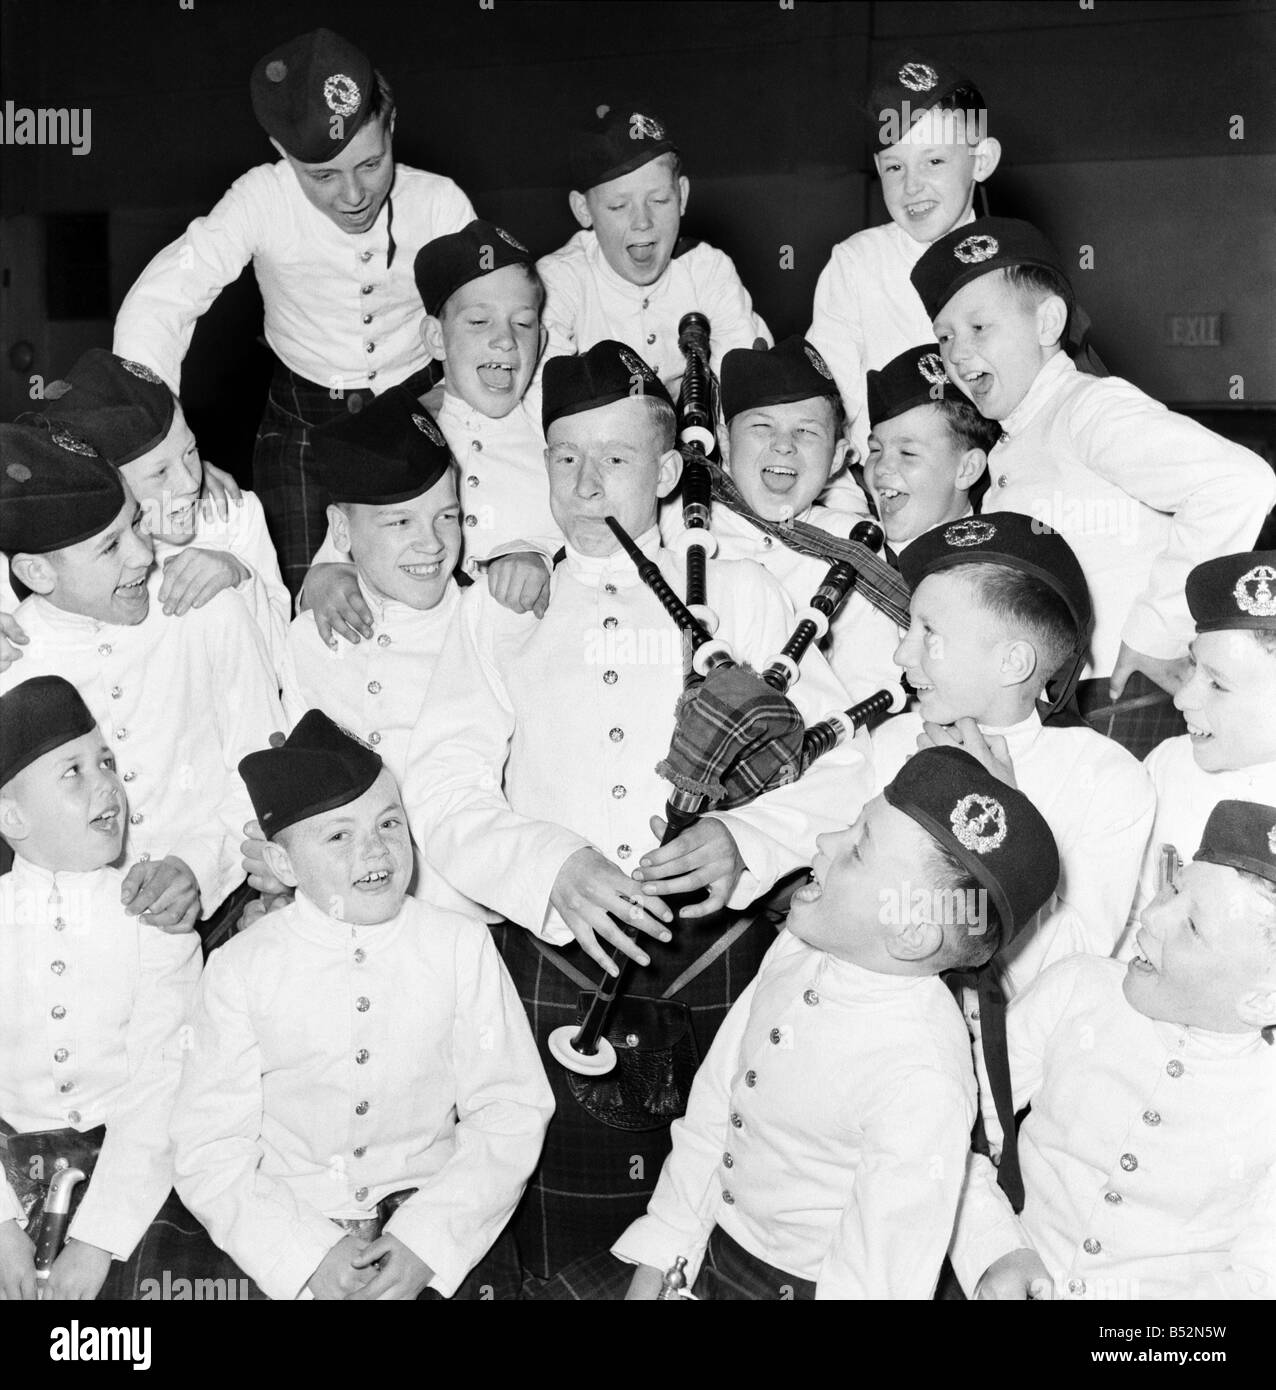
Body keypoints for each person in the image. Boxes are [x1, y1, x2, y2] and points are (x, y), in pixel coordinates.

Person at [403, 340, 871, 1286]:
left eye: (615, 459)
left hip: (716, 960)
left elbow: (842, 763)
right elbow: (444, 785)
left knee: (718, 1226)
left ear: (664, 471)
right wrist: (548, 866)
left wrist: (746, 839)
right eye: (565, 457)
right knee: (565, 1257)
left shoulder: (737, 591)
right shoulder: (499, 608)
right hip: (558, 965)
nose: (585, 483)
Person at [613, 746, 1058, 1299]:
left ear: (911, 932)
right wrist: (663, 1255)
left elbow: (880, 1275)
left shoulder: (921, 1073)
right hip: (708, 1256)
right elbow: (716, 1108)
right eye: (849, 825)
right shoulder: (798, 947)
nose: (824, 843)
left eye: (856, 850)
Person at [171, 711, 554, 1301]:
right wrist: (304, 1255)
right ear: (282, 865)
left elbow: (511, 1109)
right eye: (338, 836)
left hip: (435, 1228)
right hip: (290, 1233)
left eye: (389, 823)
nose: (375, 851)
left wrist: (428, 1240)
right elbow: (210, 1146)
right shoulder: (240, 969)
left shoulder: (458, 945)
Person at [112, 27, 476, 595]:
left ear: (392, 125)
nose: (353, 195)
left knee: (433, 596)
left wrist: (459, 398)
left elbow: (494, 317)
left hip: (423, 407)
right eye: (323, 176)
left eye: (371, 164)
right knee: (308, 609)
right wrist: (161, 455)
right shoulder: (261, 197)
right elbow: (160, 303)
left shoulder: (442, 203)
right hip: (304, 426)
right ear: (284, 154)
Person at [912, 216, 1276, 756]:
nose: (958, 353)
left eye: (979, 328)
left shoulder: (1087, 408)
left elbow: (1239, 481)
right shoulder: (1015, 440)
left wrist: (1155, 632)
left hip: (1120, 700)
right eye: (945, 336)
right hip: (1070, 710)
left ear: (1047, 323)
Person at [952, 798, 1276, 1301]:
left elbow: (1258, 1281)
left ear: (1263, 1001)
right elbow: (948, 1126)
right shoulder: (1078, 988)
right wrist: (993, 1248)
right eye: (1172, 887)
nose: (1151, 914)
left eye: (1192, 927)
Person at [0, 420, 283, 939]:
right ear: (37, 573)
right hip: (70, 938)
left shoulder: (205, 603)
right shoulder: (15, 661)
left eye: (136, 523)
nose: (143, 553)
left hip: (226, 908)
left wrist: (197, 868)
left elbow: (264, 767)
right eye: (110, 548)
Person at [873, 512, 1155, 998]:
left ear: (1013, 662)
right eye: (908, 628)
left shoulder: (1110, 780)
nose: (902, 655)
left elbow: (1069, 969)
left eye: (928, 632)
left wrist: (999, 818)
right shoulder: (892, 742)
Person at [0, 676, 201, 1301]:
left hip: (132, 1168)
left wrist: (97, 1240)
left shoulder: (154, 916)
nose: (107, 783)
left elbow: (166, 1079)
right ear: (12, 815)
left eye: (107, 761)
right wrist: (3, 1225)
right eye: (74, 771)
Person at [302, 218, 561, 646]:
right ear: (436, 339)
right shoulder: (395, 435)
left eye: (523, 323)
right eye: (479, 322)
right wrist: (325, 578)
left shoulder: (555, 432)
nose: (505, 341)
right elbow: (343, 546)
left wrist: (544, 558)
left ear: (543, 338)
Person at [1, 349, 289, 677]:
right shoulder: (43, 547)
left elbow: (281, 665)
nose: (190, 482)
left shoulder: (232, 516)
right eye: (160, 473)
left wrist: (240, 576)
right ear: (110, 482)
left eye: (191, 452)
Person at [670, 335, 902, 701]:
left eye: (807, 431)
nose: (784, 444)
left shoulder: (853, 543)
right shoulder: (680, 525)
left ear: (838, 457)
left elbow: (869, 681)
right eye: (761, 427)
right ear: (725, 444)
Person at [809, 54, 1000, 467]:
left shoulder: (1012, 264)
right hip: (878, 478)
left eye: (934, 161)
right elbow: (829, 389)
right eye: (895, 166)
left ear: (981, 161)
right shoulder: (856, 264)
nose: (912, 186)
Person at [537, 103, 769, 384]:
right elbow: (547, 395)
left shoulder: (707, 269)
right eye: (618, 206)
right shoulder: (558, 280)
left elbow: (744, 382)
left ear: (682, 195)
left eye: (659, 200)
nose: (642, 221)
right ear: (583, 209)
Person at [1124, 551, 1276, 947]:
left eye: (1218, 684)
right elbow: (1123, 921)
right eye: (1193, 667)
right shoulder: (1169, 765)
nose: (1181, 698)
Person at [862, 341, 998, 556]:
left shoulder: (992, 571)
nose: (880, 468)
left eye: (907, 452)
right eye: (875, 450)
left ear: (968, 469)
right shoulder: (848, 548)